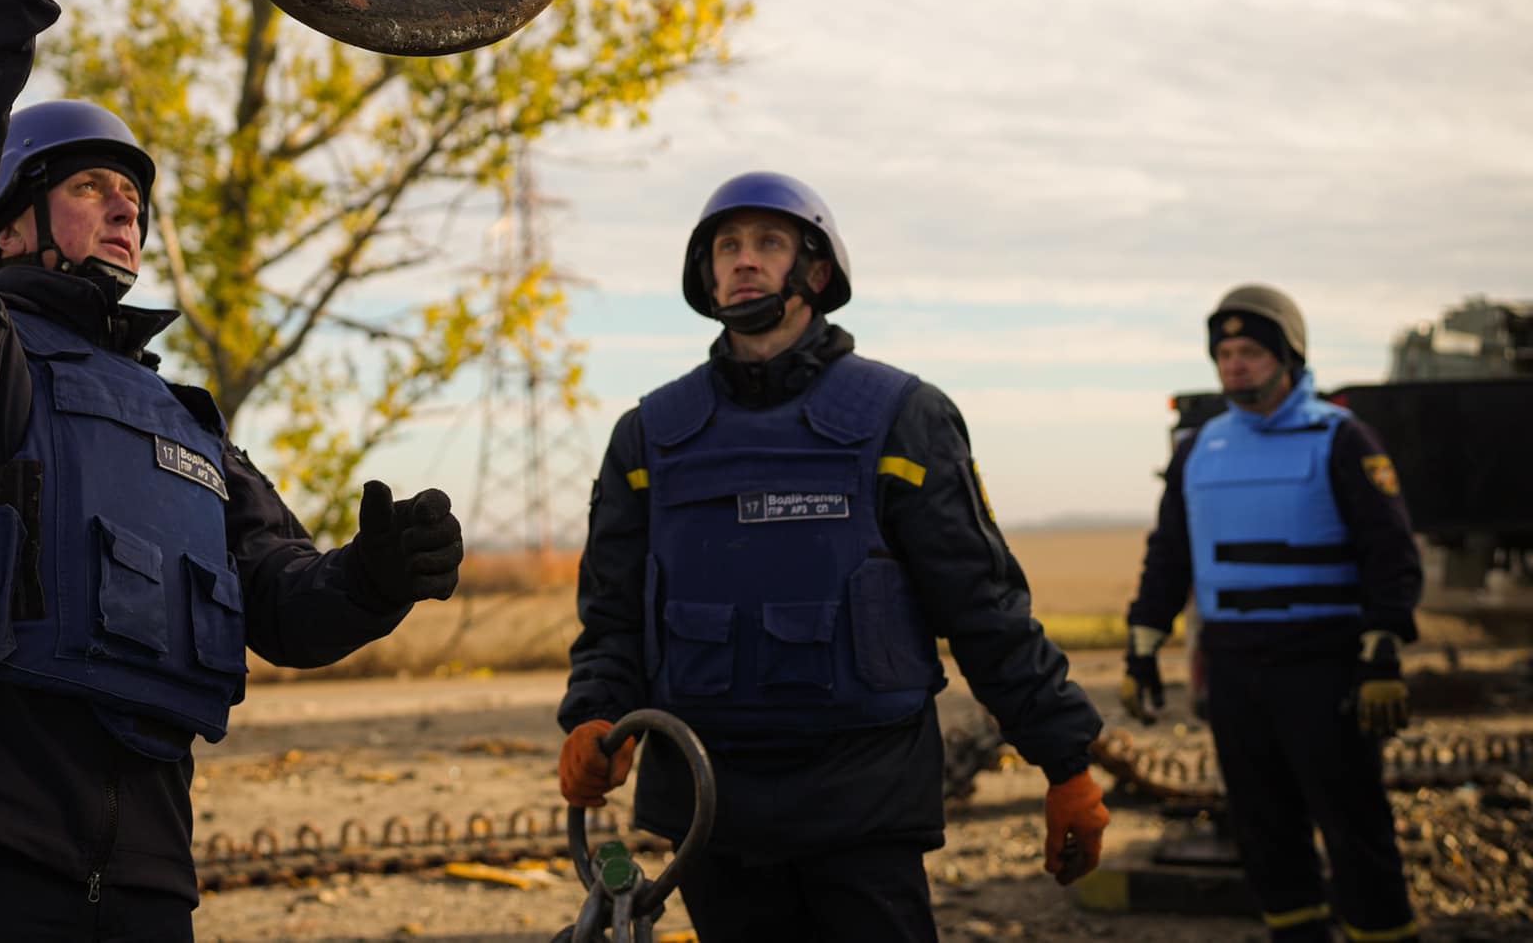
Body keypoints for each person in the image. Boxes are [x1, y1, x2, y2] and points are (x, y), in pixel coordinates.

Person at [0, 0, 464, 942]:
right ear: (7, 225)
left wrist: (370, 578)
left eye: (133, 193)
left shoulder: (182, 421)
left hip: (146, 882)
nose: (126, 204)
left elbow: (282, 597)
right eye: (89, 185)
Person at [557, 172, 1108, 943]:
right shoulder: (650, 437)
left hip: (865, 803)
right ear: (706, 275)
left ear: (816, 272)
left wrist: (1065, 762)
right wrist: (596, 716)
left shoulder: (903, 418)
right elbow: (614, 616)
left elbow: (983, 609)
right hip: (713, 810)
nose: (745, 260)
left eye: (769, 242)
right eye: (727, 246)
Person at [1124, 284, 1421, 943]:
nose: (1235, 365)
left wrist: (1383, 649)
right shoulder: (1198, 449)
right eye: (1224, 353)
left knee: (1354, 829)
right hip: (1234, 668)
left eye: (1251, 351)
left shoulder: (1341, 438)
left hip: (1323, 663)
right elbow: (1169, 555)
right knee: (1263, 829)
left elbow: (1390, 552)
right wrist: (1141, 646)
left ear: (1288, 356)